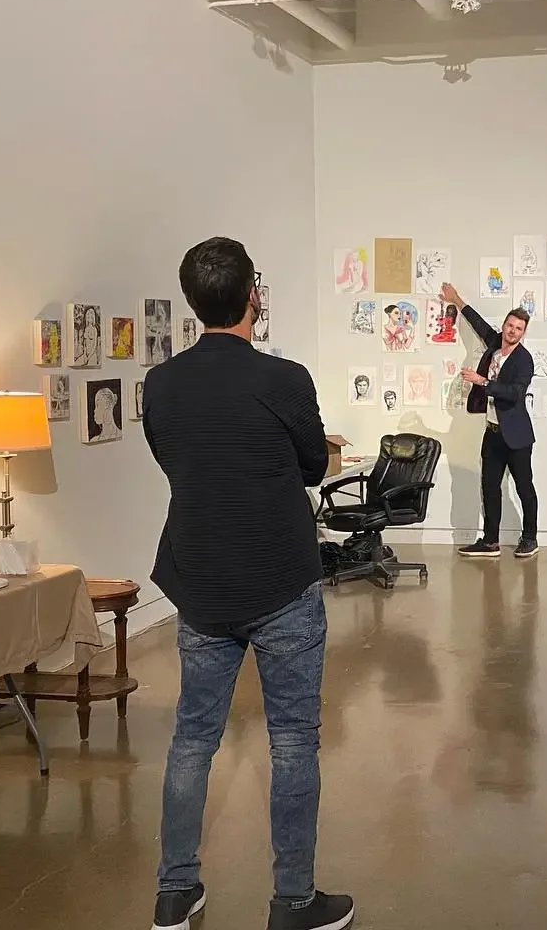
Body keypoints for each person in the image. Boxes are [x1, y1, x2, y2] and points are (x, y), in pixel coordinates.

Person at [142, 237, 353, 930]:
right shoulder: (285, 379)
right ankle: (292, 902)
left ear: (192, 302)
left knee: (191, 740)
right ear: (253, 298)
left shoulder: (162, 385)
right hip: (281, 582)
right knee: (292, 741)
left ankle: (176, 893)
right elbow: (314, 467)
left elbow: (177, 462)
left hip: (200, 582)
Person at [440, 282, 539, 559]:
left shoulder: (524, 360)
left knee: (523, 487)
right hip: (493, 433)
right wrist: (457, 299)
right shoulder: (495, 345)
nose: (512, 331)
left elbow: (515, 393)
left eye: (518, 328)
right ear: (505, 326)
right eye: (509, 325)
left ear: (523, 332)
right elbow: (479, 324)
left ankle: (530, 538)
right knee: (489, 486)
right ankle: (490, 541)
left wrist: (483, 381)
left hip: (517, 436)